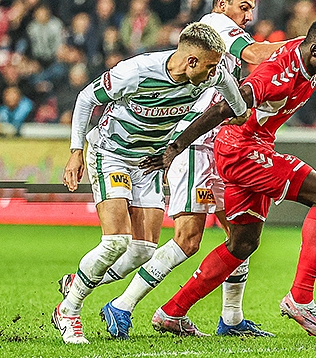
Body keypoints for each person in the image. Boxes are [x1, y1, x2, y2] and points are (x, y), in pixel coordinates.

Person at [140, 17, 316, 340]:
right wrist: (174, 148)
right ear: (314, 50)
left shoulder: (309, 60)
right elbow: (224, 108)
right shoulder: (276, 74)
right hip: (241, 149)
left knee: (243, 243)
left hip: (251, 146)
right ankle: (301, 298)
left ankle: (171, 312)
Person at [89, 0, 290, 340]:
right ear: (222, 3)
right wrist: (305, 45)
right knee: (187, 239)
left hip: (221, 144)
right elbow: (257, 54)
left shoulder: (227, 32)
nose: (250, 15)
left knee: (241, 235)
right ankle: (122, 305)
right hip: (195, 143)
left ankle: (231, 317)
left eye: (253, 7)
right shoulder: (217, 24)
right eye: (243, 5)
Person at [52, 22, 251, 344]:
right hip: (111, 153)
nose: (216, 73)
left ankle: (77, 282)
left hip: (149, 162)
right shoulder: (136, 71)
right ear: (191, 62)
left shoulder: (213, 75)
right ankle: (69, 310)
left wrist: (239, 112)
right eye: (212, 65)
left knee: (143, 250)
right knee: (116, 241)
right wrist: (76, 152)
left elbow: (237, 107)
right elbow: (87, 98)